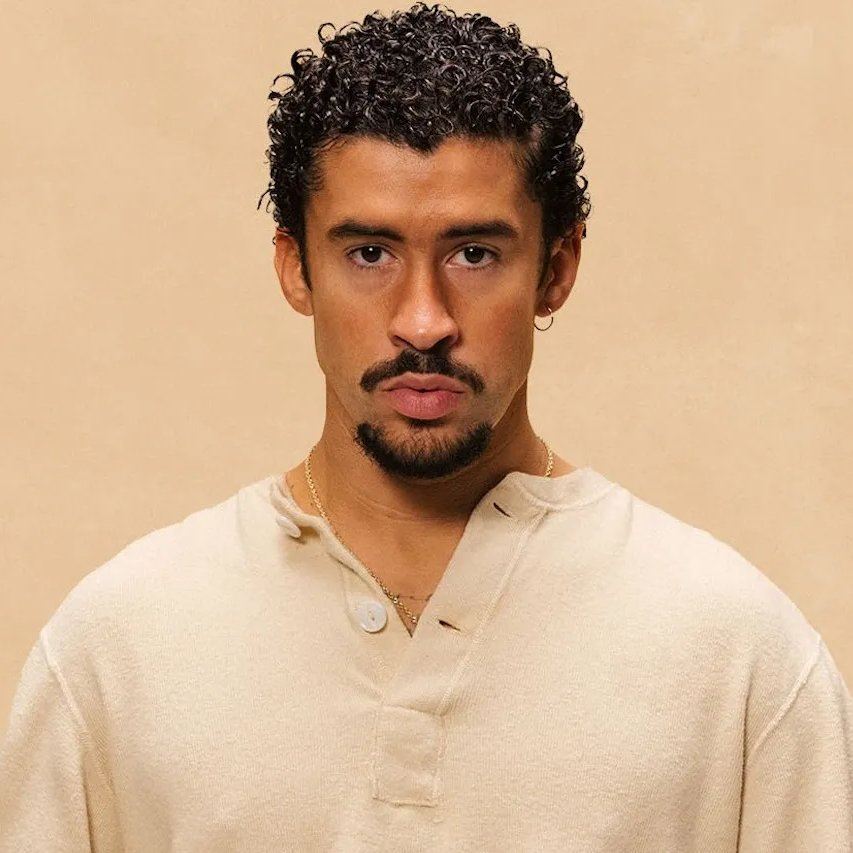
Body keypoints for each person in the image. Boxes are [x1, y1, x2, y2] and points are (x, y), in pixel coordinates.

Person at [1, 3, 851, 850]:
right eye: (368, 253)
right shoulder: (117, 648)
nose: (422, 321)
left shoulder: (737, 654)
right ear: (295, 268)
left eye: (473, 253)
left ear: (555, 268)